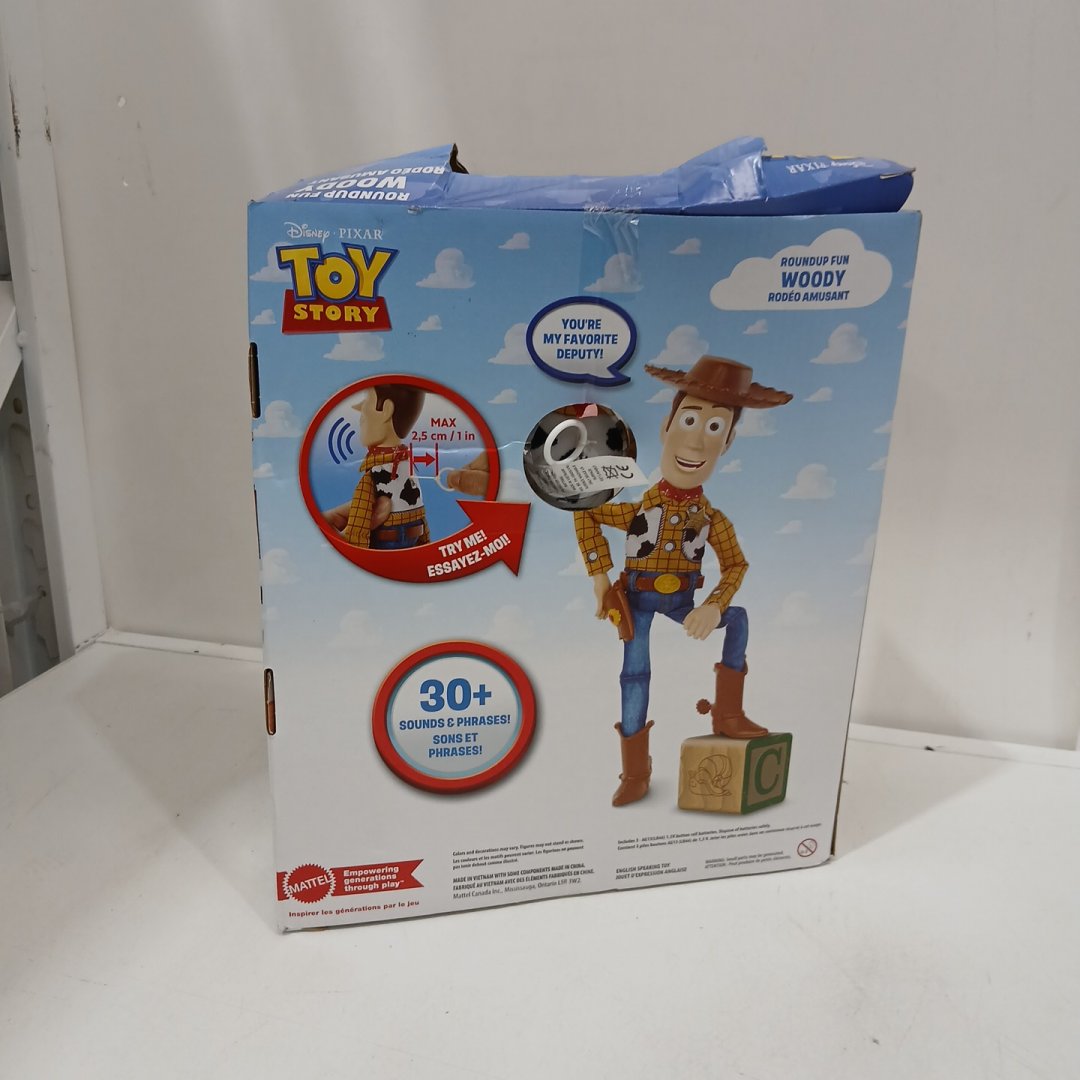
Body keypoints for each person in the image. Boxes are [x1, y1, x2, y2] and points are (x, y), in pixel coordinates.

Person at [574, 356, 792, 806]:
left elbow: (736, 565)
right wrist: (599, 578)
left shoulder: (712, 520)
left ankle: (728, 714)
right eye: (690, 420)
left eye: (714, 428)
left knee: (738, 618)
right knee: (635, 676)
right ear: (666, 427)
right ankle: (636, 772)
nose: (696, 441)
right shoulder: (638, 510)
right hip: (635, 600)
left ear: (727, 442)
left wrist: (713, 604)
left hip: (682, 604)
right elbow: (585, 513)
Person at [340, 383, 429, 550]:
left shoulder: (374, 474)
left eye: (367, 400)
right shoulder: (408, 466)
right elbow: (419, 508)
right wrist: (425, 542)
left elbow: (359, 522)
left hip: (386, 543)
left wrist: (353, 549)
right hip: (414, 539)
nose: (360, 410)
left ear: (386, 410)